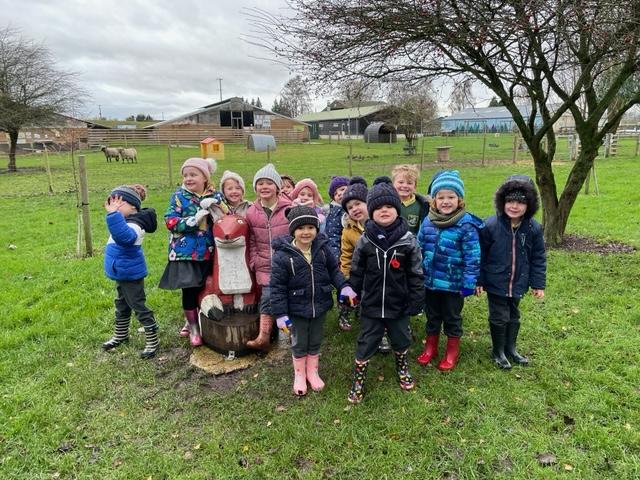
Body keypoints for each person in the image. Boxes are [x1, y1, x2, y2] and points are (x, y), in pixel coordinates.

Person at [347, 177, 424, 404]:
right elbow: (357, 270)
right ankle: (359, 379)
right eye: (378, 207)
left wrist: (416, 299)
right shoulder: (365, 240)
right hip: (371, 303)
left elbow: (416, 273)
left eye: (389, 206)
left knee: (401, 338)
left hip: (398, 303)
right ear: (371, 212)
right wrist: (353, 293)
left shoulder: (408, 241)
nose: (384, 210)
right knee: (366, 340)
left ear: (397, 209)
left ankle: (402, 366)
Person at [270, 206, 354, 396]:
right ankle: (299, 374)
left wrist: (344, 286)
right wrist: (281, 314)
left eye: (310, 227)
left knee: (315, 339)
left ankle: (312, 372)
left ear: (317, 228)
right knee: (300, 341)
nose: (306, 232)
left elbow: (334, 271)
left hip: (320, 304)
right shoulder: (283, 255)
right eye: (300, 228)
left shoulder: (323, 250)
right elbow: (277, 287)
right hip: (297, 308)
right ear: (293, 230)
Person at [477, 175, 546, 369]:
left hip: (518, 281)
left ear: (529, 205)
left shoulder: (533, 228)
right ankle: (498, 351)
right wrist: (479, 280)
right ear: (502, 202)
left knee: (514, 315)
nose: (514, 206)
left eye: (520, 202)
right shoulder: (490, 226)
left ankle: (511, 348)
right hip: (496, 281)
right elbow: (480, 255)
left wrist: (538, 284)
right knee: (499, 315)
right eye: (510, 201)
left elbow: (538, 257)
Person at [416, 170, 483, 371]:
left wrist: (469, 282)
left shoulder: (466, 224)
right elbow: (418, 248)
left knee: (452, 317)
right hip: (430, 282)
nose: (446, 201)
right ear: (434, 200)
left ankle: (452, 351)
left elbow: (473, 256)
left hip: (453, 284)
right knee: (432, 316)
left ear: (459, 200)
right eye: (441, 197)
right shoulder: (428, 221)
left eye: (451, 197)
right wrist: (417, 274)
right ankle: (431, 347)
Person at [159, 157, 221, 347]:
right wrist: (192, 221)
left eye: (193, 174)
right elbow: (170, 221)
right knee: (190, 289)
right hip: (185, 252)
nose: (188, 178)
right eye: (185, 175)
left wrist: (216, 206)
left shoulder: (215, 195)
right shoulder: (179, 197)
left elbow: (226, 216)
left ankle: (204, 319)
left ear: (205, 177)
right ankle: (193, 327)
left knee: (208, 286)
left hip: (210, 251)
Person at [102, 184, 159, 358]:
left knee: (138, 306)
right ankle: (121, 335)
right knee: (121, 304)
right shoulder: (124, 221)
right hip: (122, 272)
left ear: (133, 206)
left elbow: (125, 238)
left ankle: (152, 340)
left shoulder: (136, 224)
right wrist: (115, 216)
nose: (114, 207)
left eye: (118, 203)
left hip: (130, 274)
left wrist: (113, 215)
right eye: (112, 203)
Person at [245, 163, 292, 350]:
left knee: (290, 298)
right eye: (260, 183)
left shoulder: (288, 208)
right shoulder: (251, 212)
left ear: (277, 187)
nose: (264, 187)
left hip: (287, 263)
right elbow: (251, 240)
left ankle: (291, 335)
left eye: (269, 183)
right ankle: (263, 336)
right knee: (267, 299)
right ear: (255, 187)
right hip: (264, 264)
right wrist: (254, 260)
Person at [338, 176, 369, 331]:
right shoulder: (348, 231)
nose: (355, 209)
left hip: (376, 271)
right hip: (357, 271)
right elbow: (346, 254)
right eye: (350, 207)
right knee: (349, 292)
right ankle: (344, 314)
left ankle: (368, 319)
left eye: (358, 204)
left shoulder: (379, 224)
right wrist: (345, 277)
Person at [391, 164, 429, 235]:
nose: (405, 186)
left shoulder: (421, 205)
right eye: (401, 182)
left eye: (409, 183)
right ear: (393, 184)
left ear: (415, 186)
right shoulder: (388, 203)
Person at [324, 175, 350, 260]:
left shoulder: (361, 206)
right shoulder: (335, 213)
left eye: (342, 189)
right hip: (344, 254)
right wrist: (336, 259)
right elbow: (332, 237)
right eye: (335, 193)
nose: (339, 194)